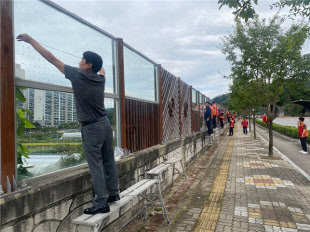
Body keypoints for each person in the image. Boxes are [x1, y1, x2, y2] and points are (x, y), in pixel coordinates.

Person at [17, 34, 120, 214]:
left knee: (95, 164)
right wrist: (97, 61)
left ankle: (101, 202)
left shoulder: (77, 75)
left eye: (82, 59)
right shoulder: (100, 79)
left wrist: (30, 40)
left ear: (88, 65)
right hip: (105, 124)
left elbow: (51, 58)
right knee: (108, 160)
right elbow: (102, 69)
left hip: (91, 128)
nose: (79, 61)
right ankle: (113, 193)